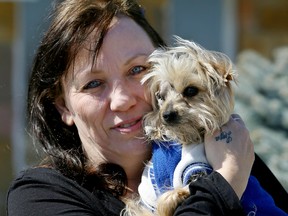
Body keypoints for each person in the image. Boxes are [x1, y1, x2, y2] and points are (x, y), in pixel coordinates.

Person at [6, 0, 288, 215]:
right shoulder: (41, 196)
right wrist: (226, 181)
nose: (122, 99)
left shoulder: (227, 147)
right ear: (63, 107)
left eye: (138, 69)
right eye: (93, 84)